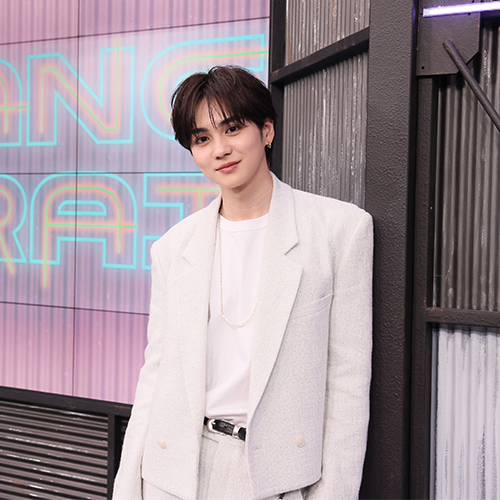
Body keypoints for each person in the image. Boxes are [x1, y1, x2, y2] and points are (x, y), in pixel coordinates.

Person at [113, 66, 373, 500]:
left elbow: (348, 382)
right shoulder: (173, 248)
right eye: (202, 139)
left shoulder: (340, 231)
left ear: (266, 131)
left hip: (276, 476)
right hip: (172, 472)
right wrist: (127, 488)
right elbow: (155, 374)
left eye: (232, 129)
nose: (220, 150)